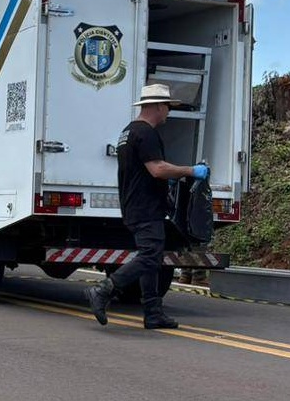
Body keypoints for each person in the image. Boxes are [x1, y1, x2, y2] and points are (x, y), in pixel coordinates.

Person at [85, 83, 209, 330]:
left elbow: (144, 169)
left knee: (151, 257)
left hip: (134, 204)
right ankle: (103, 290)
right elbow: (157, 169)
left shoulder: (128, 132)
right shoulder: (146, 133)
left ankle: (153, 312)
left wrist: (171, 176)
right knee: (150, 257)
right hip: (145, 206)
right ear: (156, 106)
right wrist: (190, 171)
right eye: (167, 107)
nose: (168, 112)